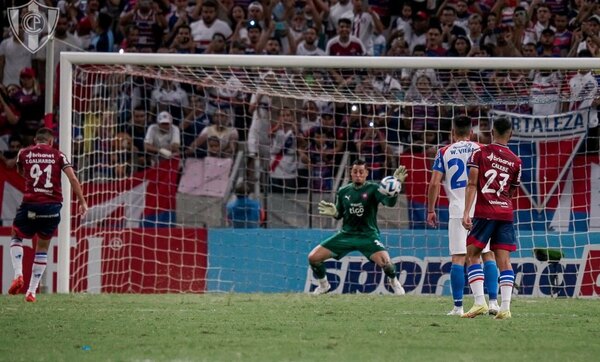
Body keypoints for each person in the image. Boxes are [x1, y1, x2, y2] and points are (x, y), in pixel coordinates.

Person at [427, 115, 500, 316]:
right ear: (471, 133)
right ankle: (493, 302)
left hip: (458, 210)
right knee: (488, 254)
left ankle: (458, 307)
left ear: (452, 134)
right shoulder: (482, 149)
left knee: (459, 258)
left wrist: (431, 210)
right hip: (484, 209)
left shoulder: (444, 152)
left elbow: (434, 183)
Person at [8, 128, 88, 302]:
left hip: (31, 205)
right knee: (42, 248)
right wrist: (82, 201)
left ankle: (18, 274)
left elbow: (19, 170)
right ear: (51, 142)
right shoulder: (58, 155)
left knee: (16, 236)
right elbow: (73, 179)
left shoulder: (24, 152)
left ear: (36, 140)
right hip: (52, 208)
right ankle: (31, 292)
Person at [308, 159, 408, 295]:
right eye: (355, 171)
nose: (358, 174)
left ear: (366, 173)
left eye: (361, 172)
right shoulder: (343, 191)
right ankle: (324, 285)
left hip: (368, 236)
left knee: (387, 264)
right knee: (313, 257)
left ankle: (394, 281)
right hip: (346, 235)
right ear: (351, 173)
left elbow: (389, 203)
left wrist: (396, 186)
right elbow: (338, 215)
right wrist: (334, 213)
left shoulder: (374, 189)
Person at [461, 117, 522, 320]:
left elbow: (472, 183)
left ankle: (479, 302)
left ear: (491, 132)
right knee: (503, 260)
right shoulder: (516, 160)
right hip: (505, 212)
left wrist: (466, 212)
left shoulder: (480, 152)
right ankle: (505, 308)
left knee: (471, 254)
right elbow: (511, 191)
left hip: (485, 212)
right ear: (510, 135)